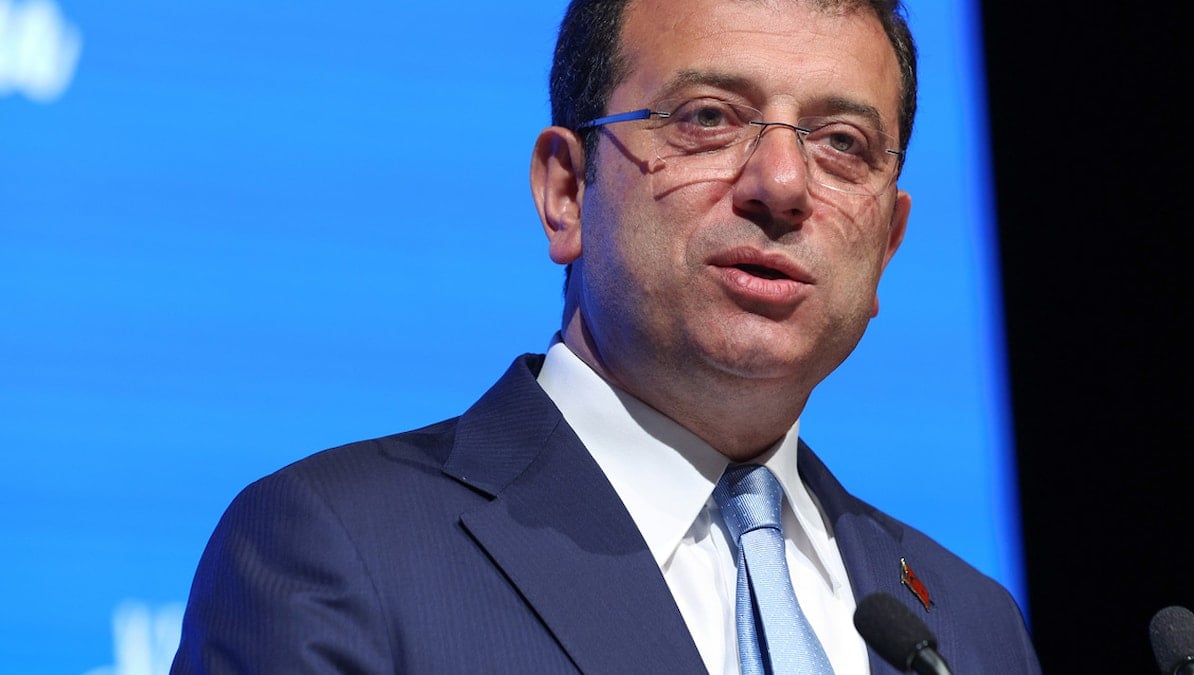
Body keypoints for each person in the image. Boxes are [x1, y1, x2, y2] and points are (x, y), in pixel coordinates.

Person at [171, 0, 1043, 672]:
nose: (782, 184)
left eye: (843, 142)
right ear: (565, 192)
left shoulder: (971, 626)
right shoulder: (342, 550)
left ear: (887, 245)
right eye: (708, 117)